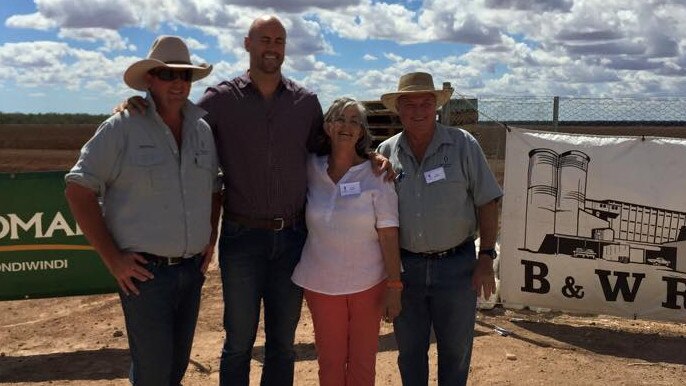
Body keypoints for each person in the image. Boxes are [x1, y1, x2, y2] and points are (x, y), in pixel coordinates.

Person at [118, 15, 391, 385]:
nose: (272, 47)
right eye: (265, 39)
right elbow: (176, 118)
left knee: (282, 343)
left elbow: (334, 149)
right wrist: (136, 104)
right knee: (239, 341)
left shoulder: (306, 102)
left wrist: (372, 157)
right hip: (242, 238)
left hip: (293, 239)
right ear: (247, 44)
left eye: (279, 41)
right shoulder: (219, 99)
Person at [64, 35, 222, 385]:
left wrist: (210, 235)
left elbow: (214, 189)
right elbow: (78, 189)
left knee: (174, 370)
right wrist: (113, 259)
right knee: (153, 373)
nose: (178, 82)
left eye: (186, 75)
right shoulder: (122, 127)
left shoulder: (202, 131)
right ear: (150, 79)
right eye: (167, 74)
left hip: (191, 271)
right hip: (145, 276)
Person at [376, 72, 502, 386]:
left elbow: (488, 201)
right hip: (406, 271)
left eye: (425, 103)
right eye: (409, 104)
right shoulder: (386, 154)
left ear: (436, 107)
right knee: (410, 353)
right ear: (399, 110)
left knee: (456, 352)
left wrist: (486, 257)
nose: (418, 110)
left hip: (457, 268)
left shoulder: (463, 145)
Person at [291, 97, 402, 386]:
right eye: (341, 118)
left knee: (363, 364)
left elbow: (389, 233)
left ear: (362, 132)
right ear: (328, 127)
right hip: (321, 283)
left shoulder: (377, 174)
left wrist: (394, 285)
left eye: (355, 121)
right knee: (330, 363)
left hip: (369, 284)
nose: (347, 126)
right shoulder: (309, 167)